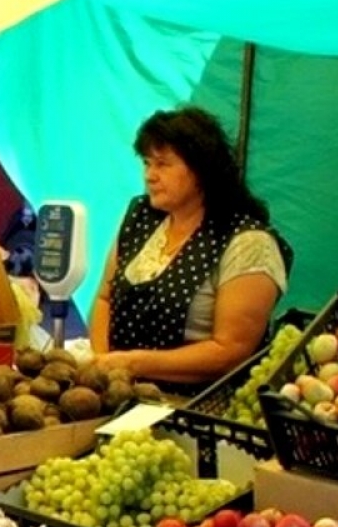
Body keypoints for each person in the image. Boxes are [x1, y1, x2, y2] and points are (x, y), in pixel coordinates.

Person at [89, 106, 292, 395]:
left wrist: (135, 363)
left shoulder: (248, 243)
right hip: (120, 391)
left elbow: (231, 351)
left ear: (200, 170)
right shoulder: (139, 216)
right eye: (146, 163)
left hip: (201, 404)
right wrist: (104, 366)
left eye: (162, 164)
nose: (149, 176)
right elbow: (105, 298)